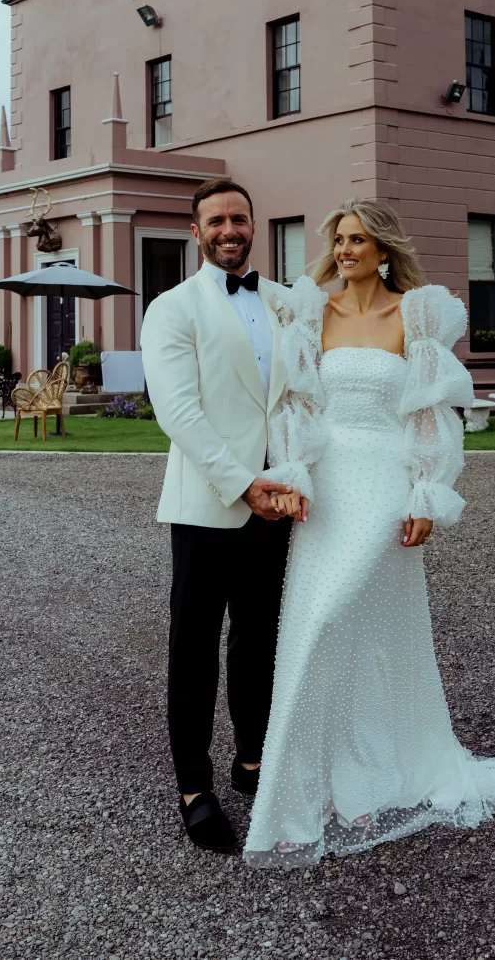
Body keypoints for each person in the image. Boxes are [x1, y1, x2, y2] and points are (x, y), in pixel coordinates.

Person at [244, 200, 495, 867]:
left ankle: (358, 774)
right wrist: (294, 475)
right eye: (339, 239)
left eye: (358, 240)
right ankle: (333, 785)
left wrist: (426, 496)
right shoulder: (310, 314)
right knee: (322, 628)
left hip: (382, 482)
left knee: (341, 619)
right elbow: (297, 407)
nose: (345, 249)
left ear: (383, 250)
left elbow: (431, 418)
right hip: (326, 488)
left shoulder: (416, 315)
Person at [141, 178, 301, 853]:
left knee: (261, 638)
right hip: (209, 504)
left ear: (254, 224)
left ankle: (253, 761)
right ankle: (193, 788)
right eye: (217, 220)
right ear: (196, 231)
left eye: (240, 218)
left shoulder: (290, 304)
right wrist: (244, 485)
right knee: (194, 647)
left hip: (279, 503)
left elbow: (304, 399)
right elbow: (178, 413)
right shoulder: (173, 308)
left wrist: (294, 478)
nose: (231, 229)